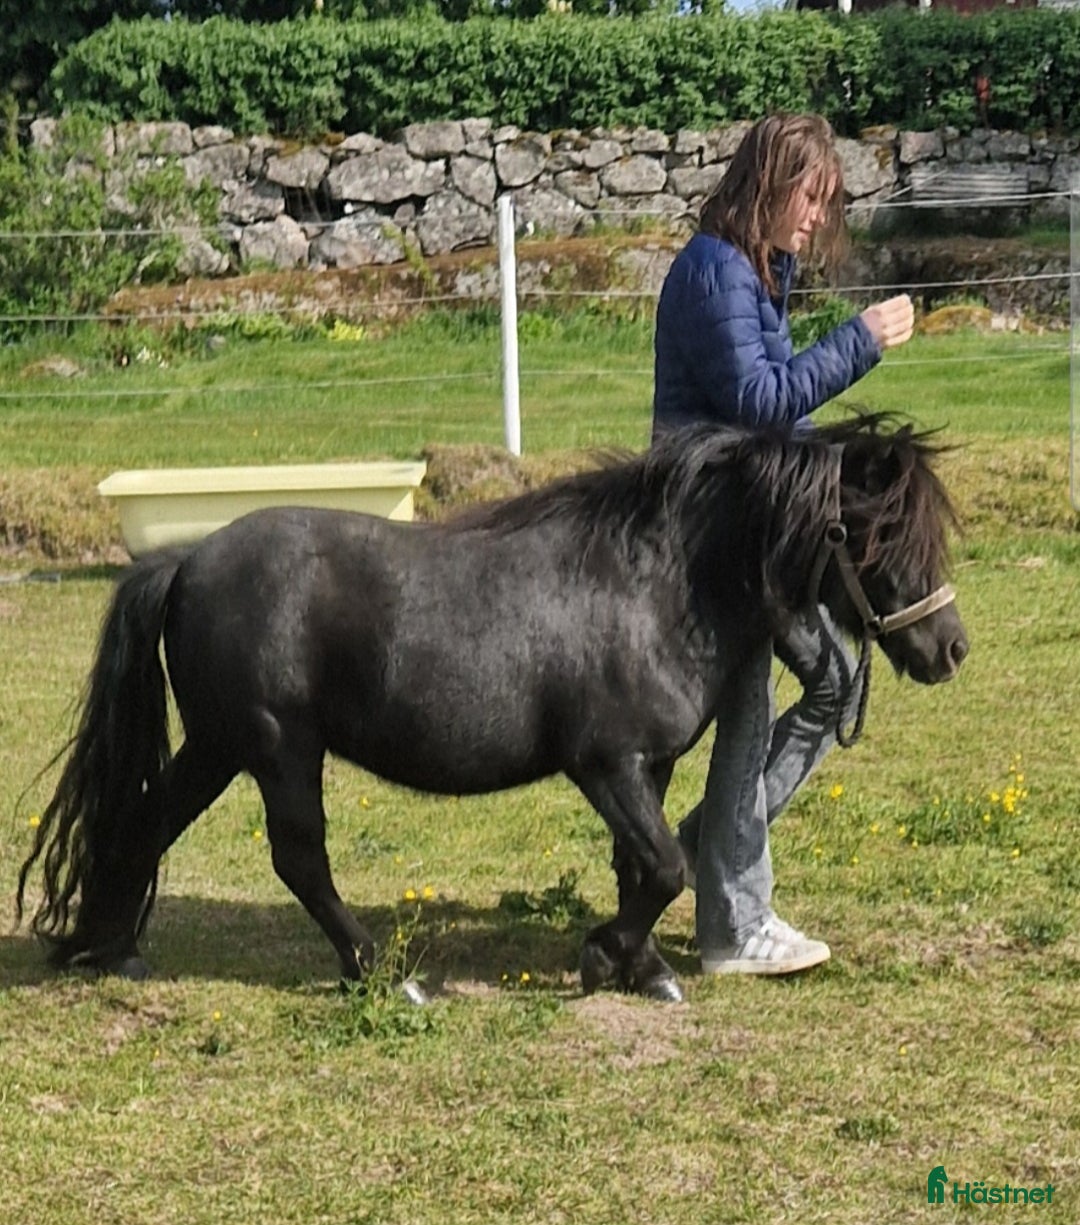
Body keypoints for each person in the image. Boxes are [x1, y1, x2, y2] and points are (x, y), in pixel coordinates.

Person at [652, 112, 914, 976]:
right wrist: (860, 343)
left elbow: (779, 415)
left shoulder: (758, 270)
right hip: (710, 529)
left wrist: (829, 466)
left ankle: (703, 848)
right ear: (769, 183)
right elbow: (758, 404)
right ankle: (734, 925)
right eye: (811, 198)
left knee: (836, 680)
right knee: (751, 708)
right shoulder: (716, 273)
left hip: (750, 519)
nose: (817, 218)